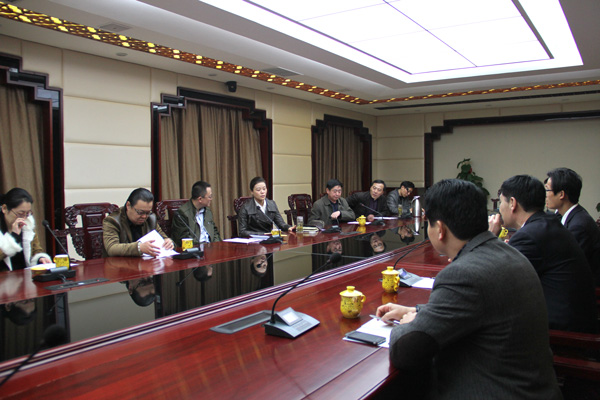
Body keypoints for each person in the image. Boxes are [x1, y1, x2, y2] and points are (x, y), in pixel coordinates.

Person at [377, 179, 560, 399]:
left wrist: (408, 324)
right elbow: (476, 308)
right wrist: (417, 311)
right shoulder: (508, 254)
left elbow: (405, 353)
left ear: (440, 229)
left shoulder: (463, 273)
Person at [489, 174, 596, 333]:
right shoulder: (547, 224)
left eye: (501, 202)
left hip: (562, 332)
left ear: (512, 203)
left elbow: (493, 278)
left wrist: (490, 237)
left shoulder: (529, 235)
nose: (499, 209)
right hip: (575, 320)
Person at [545, 167, 600, 281]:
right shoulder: (561, 215)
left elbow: (566, 265)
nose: (544, 195)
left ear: (561, 194)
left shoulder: (579, 225)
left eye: (547, 190)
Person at [102, 188, 174, 257]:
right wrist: (139, 247)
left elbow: (164, 238)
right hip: (119, 264)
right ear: (128, 205)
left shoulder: (151, 219)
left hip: (145, 263)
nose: (144, 216)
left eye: (147, 212)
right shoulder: (113, 221)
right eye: (140, 212)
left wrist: (169, 242)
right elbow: (112, 248)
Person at [1, 188, 51, 272]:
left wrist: (40, 258)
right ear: (4, 208)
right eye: (20, 214)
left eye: (27, 213)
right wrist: (13, 237)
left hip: (25, 275)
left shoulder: (27, 224)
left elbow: (36, 249)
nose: (24, 218)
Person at [171, 180, 221, 246]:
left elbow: (214, 232)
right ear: (200, 199)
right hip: (196, 248)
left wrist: (217, 245)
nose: (211, 199)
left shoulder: (207, 211)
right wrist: (204, 246)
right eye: (209, 197)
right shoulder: (182, 213)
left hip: (211, 247)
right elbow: (183, 238)